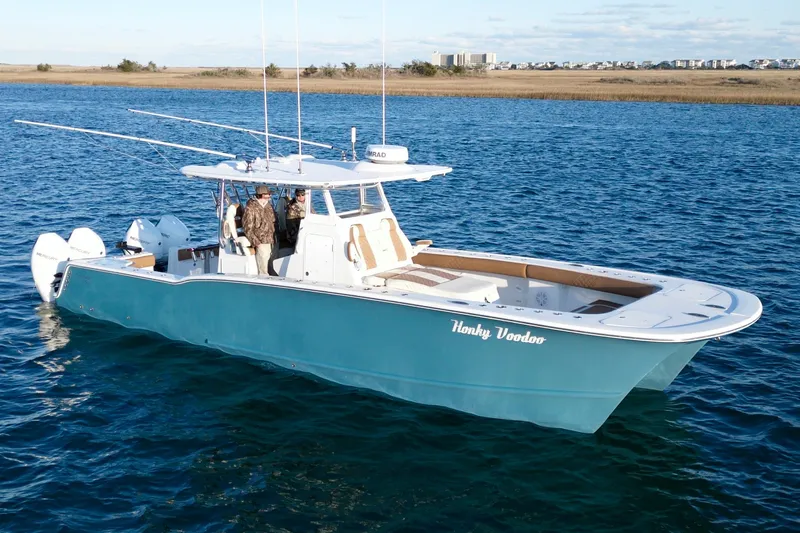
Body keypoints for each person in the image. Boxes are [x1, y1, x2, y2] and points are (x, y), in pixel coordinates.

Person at [242, 185, 277, 274]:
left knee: (272, 263)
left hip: (271, 239)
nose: (270, 196)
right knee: (263, 268)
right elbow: (247, 227)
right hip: (260, 241)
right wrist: (256, 242)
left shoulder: (268, 205)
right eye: (268, 194)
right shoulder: (251, 208)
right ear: (261, 195)